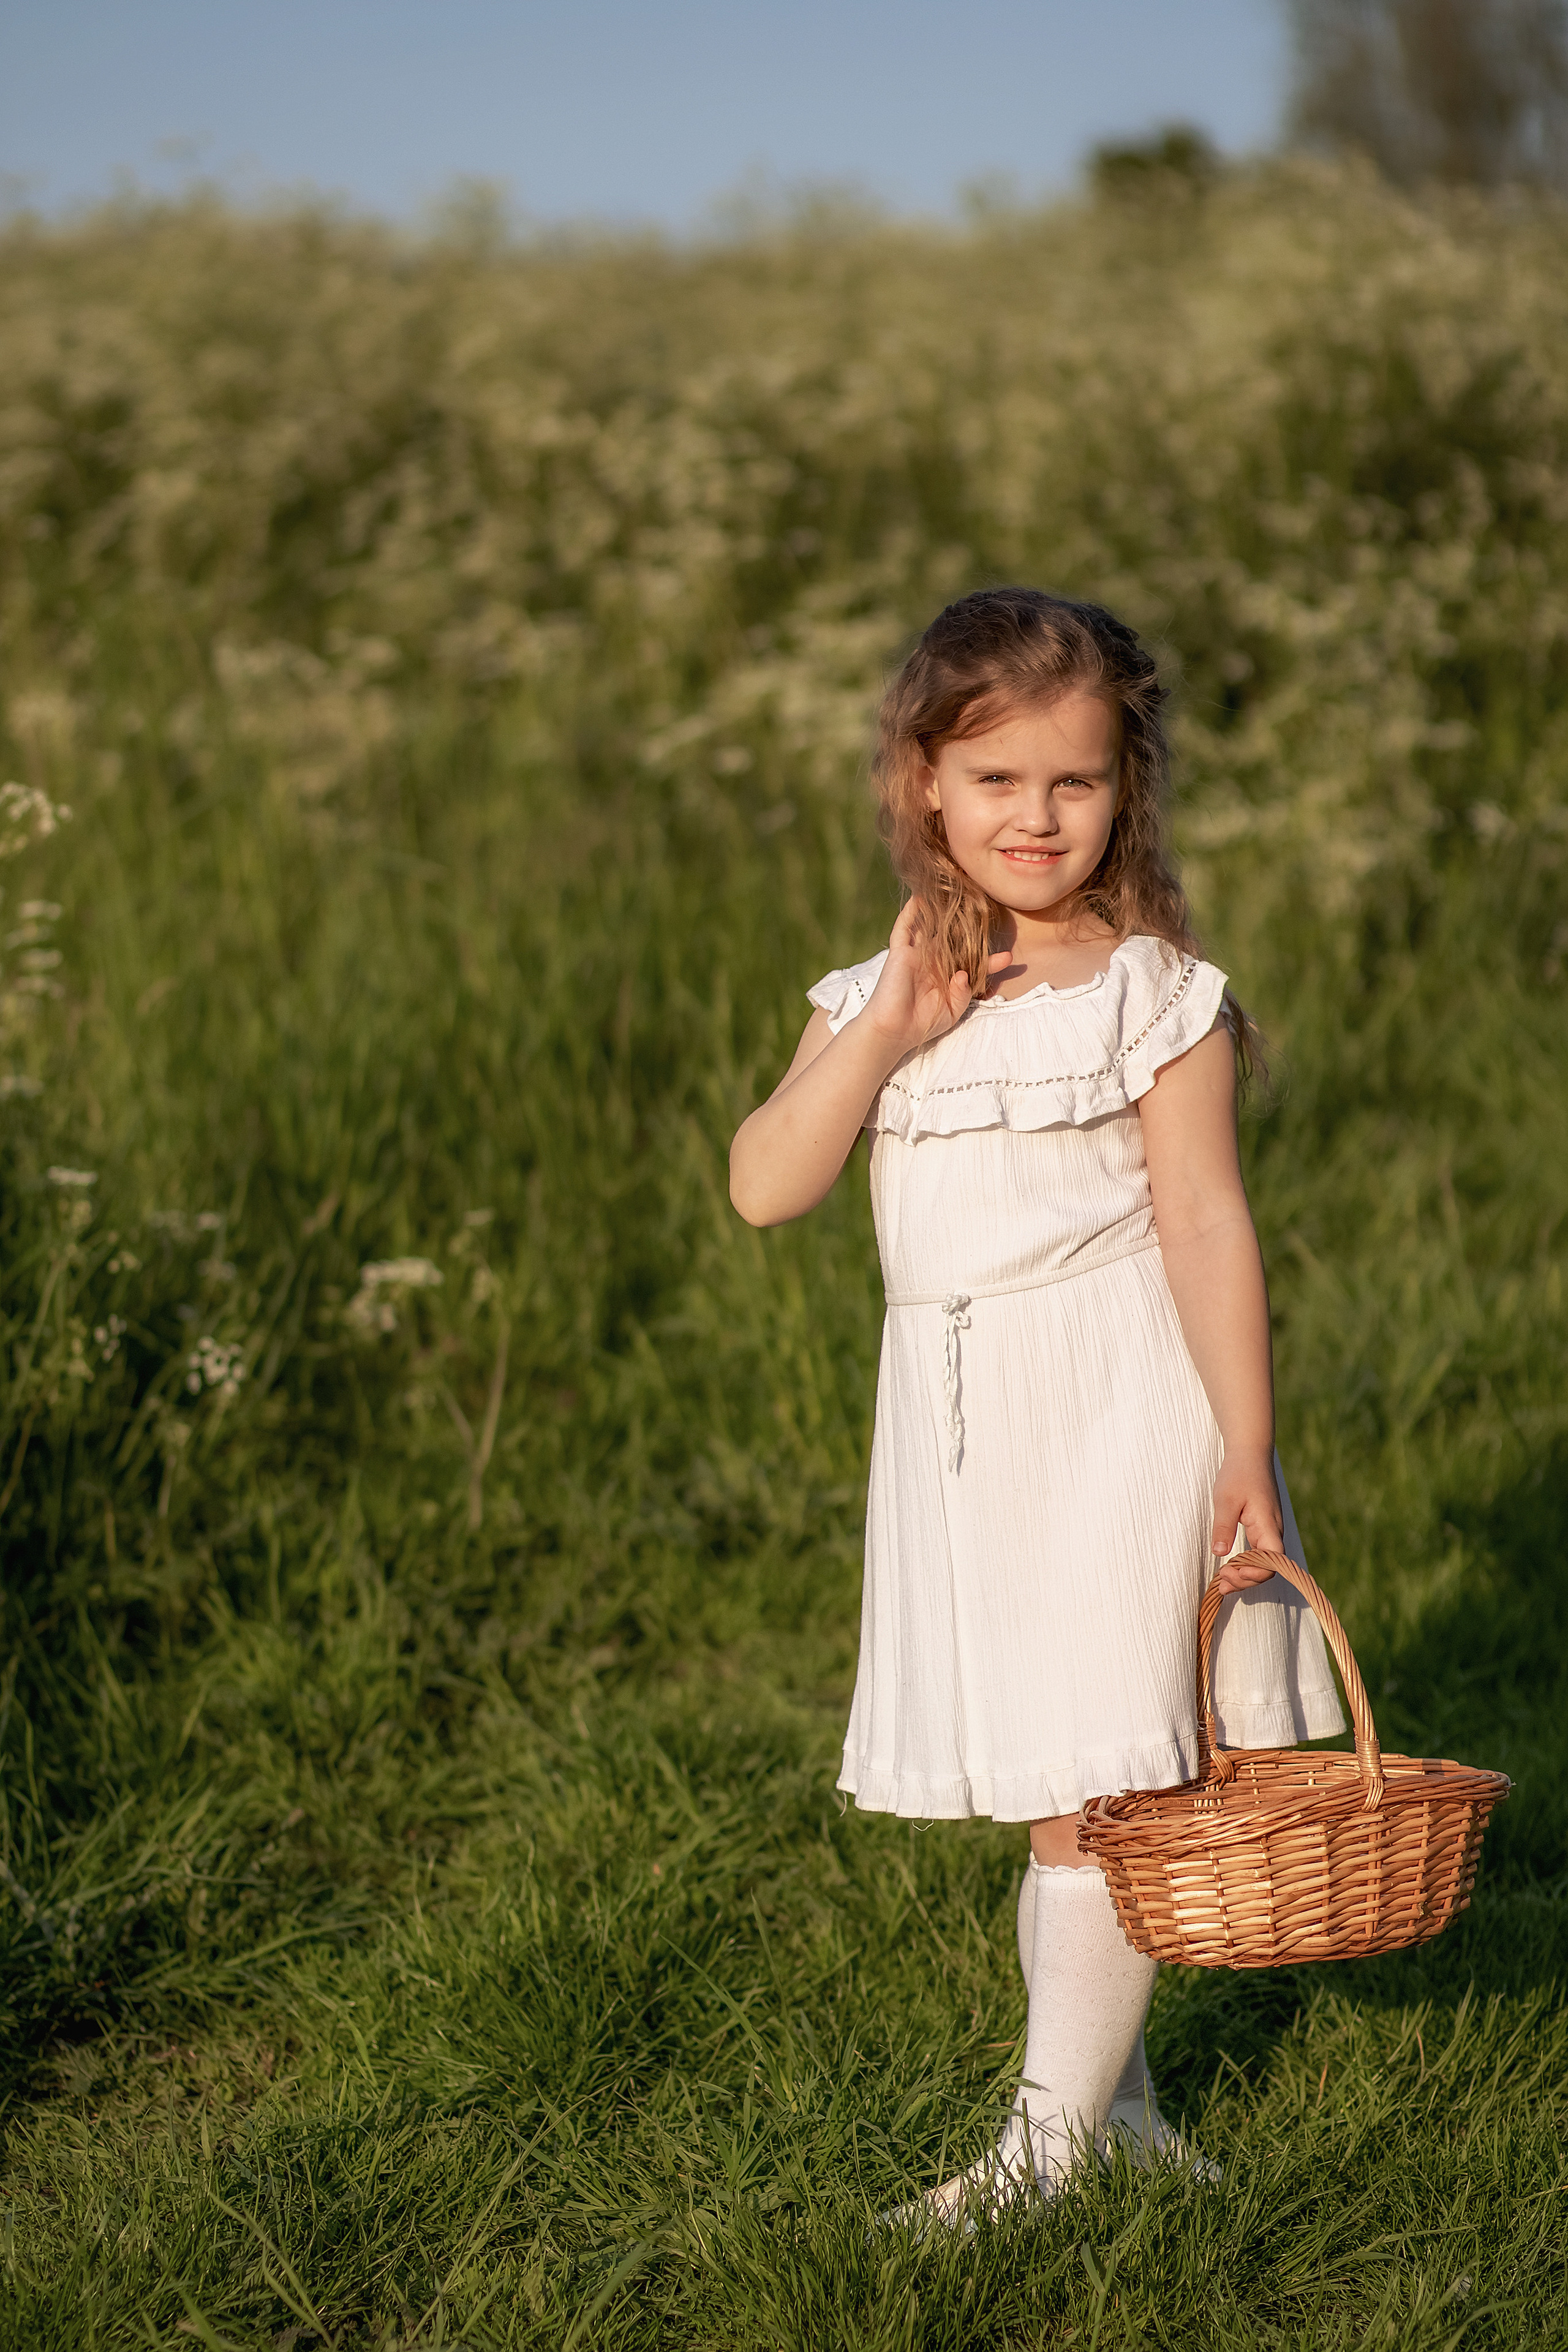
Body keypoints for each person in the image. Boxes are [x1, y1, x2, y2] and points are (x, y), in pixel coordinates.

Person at [728, 587, 1344, 2226]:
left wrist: (1248, 1450)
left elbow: (1211, 1224)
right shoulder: (878, 992)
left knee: (1102, 1781)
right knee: (1063, 1780)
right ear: (924, 784)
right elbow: (765, 1186)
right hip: (961, 1416)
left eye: (1074, 783)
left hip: (1123, 1406)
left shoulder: (1156, 993)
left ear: (1121, 793)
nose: (1036, 817)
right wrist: (891, 1036)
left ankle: (1045, 2153)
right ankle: (1119, 2108)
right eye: (997, 781)